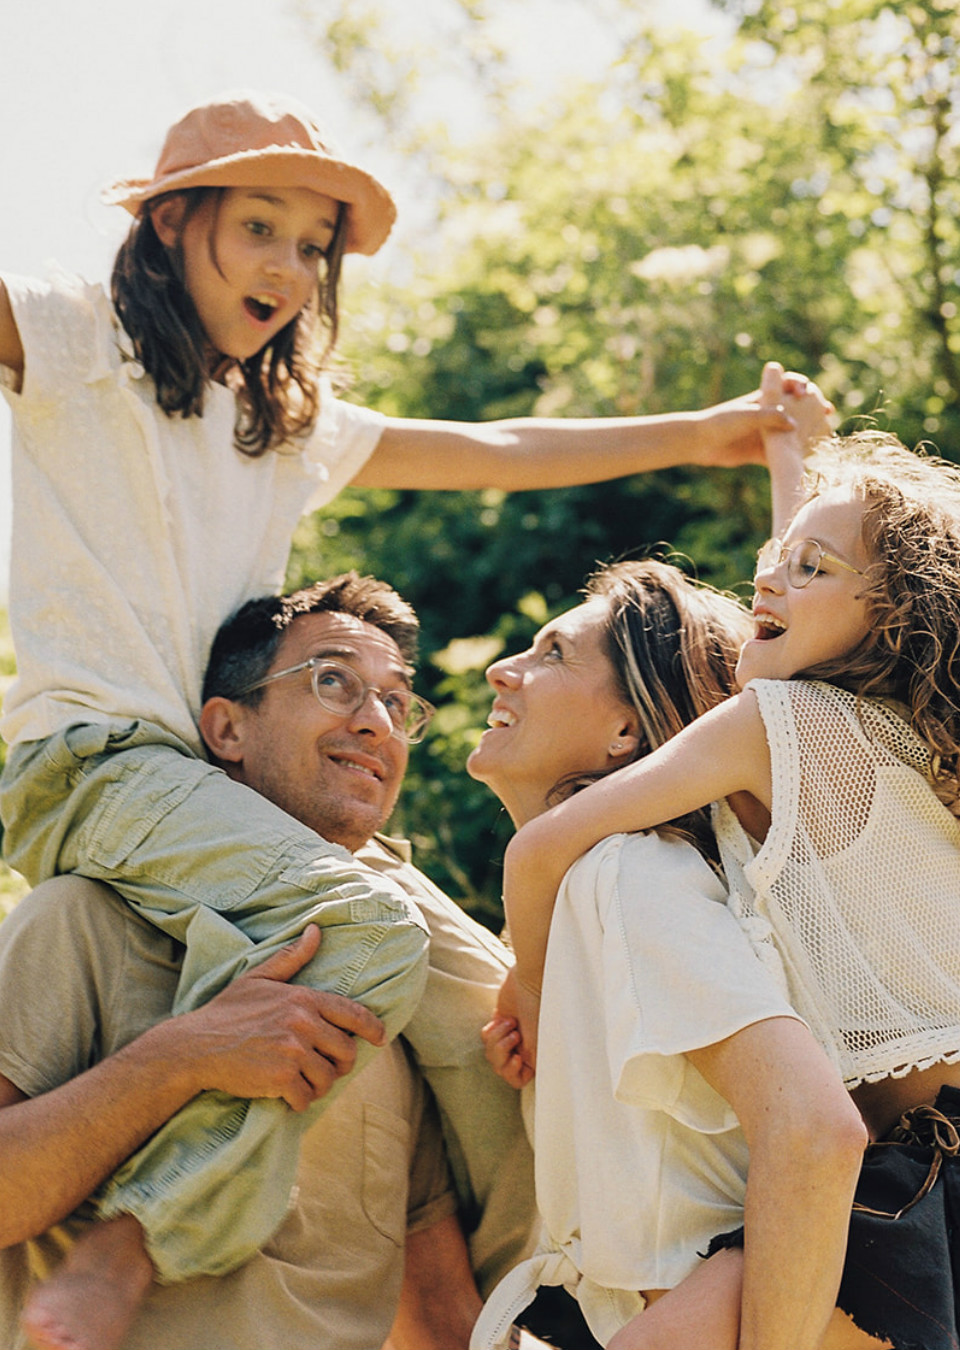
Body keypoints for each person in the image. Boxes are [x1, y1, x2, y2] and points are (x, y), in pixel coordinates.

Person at [0, 85, 799, 1323]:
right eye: (259, 226)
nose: (289, 267)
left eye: (312, 246)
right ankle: (137, 1238)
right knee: (365, 932)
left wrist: (707, 435)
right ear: (170, 226)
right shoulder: (71, 344)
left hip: (210, 792)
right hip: (96, 762)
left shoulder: (282, 426)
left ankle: (574, 1302)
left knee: (501, 1007)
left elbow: (495, 449)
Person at [493, 382, 960, 1348]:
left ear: (891, 615)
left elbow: (543, 844)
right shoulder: (916, 747)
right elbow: (816, 591)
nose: (768, 582)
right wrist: (800, 457)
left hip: (910, 1170)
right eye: (769, 563)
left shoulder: (771, 727)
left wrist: (529, 985)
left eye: (805, 567)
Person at [0, 572, 537, 1350]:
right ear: (227, 730)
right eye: (333, 682)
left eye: (396, 702)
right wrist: (175, 1060)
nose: (377, 724)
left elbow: (441, 1315)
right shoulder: (83, 922)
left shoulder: (399, 996)